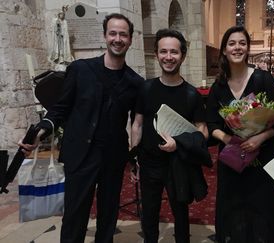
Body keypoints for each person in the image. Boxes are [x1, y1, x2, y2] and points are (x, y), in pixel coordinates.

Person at [19, 13, 143, 243]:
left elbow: (136, 123)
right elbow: (60, 109)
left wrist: (134, 157)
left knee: (108, 216)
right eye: (113, 33)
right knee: (75, 216)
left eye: (123, 34)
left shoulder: (135, 82)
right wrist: (41, 131)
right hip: (80, 155)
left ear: (130, 39)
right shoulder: (81, 69)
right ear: (105, 36)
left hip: (113, 157)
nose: (118, 38)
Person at [130, 28, 211, 243]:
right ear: (156, 54)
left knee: (181, 213)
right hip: (149, 162)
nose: (168, 57)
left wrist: (181, 144)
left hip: (178, 163)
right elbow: (137, 124)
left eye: (174, 52)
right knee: (149, 213)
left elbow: (202, 130)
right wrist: (133, 158)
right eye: (163, 51)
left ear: (182, 55)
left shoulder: (191, 94)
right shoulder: (146, 89)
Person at [206, 26, 274, 243]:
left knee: (262, 209)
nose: (237, 47)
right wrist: (227, 138)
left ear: (248, 48)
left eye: (242, 43)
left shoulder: (263, 79)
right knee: (233, 209)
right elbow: (212, 123)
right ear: (224, 50)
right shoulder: (219, 86)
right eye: (232, 43)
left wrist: (261, 136)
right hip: (233, 160)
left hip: (262, 159)